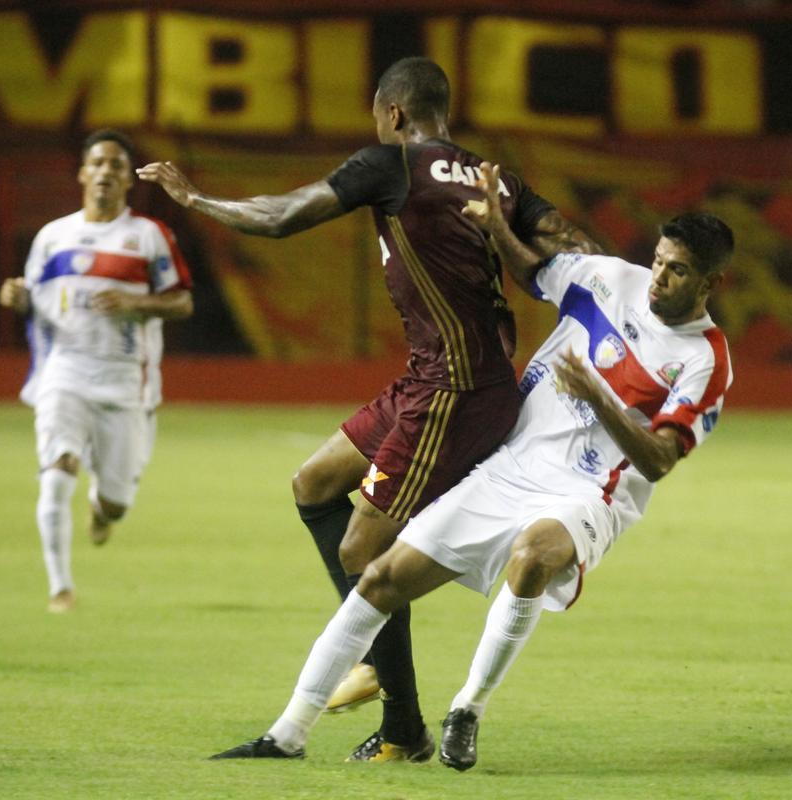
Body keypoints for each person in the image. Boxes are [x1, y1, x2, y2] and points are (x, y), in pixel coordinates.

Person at [138, 57, 599, 761]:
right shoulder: (493, 177)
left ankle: (402, 723)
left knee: (363, 549)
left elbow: (283, 215)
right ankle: (382, 675)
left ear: (392, 114)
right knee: (315, 483)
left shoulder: (393, 165)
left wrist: (196, 199)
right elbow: (572, 243)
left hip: (453, 390)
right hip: (434, 379)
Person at [209, 163, 734, 770]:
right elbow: (537, 274)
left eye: (679, 271)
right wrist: (495, 226)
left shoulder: (705, 361)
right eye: (661, 260)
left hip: (591, 492)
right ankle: (286, 736)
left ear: (711, 283)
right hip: (508, 467)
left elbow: (661, 459)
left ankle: (467, 708)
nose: (659, 278)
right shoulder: (611, 278)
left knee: (533, 555)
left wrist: (599, 401)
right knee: (378, 581)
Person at [0, 129, 194, 613]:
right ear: (83, 173)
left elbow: (183, 302)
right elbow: (36, 301)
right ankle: (60, 588)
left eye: (117, 166)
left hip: (126, 382)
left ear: (129, 180)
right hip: (64, 371)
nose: (106, 171)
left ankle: (103, 510)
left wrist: (136, 301)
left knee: (116, 502)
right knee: (58, 470)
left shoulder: (148, 237)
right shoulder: (52, 237)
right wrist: (19, 299)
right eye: (98, 163)